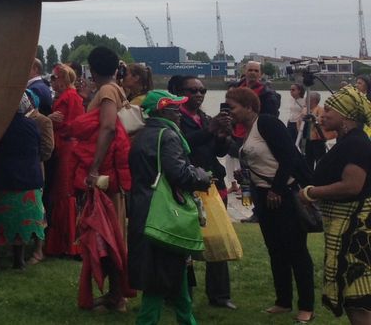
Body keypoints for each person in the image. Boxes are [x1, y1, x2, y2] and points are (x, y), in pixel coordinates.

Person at [227, 86, 315, 322]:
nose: (230, 112)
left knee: (297, 251)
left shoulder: (267, 123)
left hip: (283, 195)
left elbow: (288, 156)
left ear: (248, 106)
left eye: (233, 107)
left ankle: (306, 306)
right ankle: (283, 301)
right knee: (276, 250)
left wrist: (277, 188)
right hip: (263, 197)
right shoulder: (247, 131)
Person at [127, 91, 213, 325]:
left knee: (175, 276)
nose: (179, 114)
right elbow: (179, 173)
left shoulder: (142, 135)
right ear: (162, 110)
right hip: (163, 217)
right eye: (175, 110)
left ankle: (188, 321)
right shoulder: (169, 136)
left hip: (143, 211)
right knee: (158, 282)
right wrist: (201, 175)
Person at [299, 85, 371, 322]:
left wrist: (312, 193)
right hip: (346, 231)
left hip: (355, 235)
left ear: (347, 116)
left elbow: (352, 185)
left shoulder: (357, 144)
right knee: (354, 299)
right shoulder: (348, 141)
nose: (323, 114)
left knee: (358, 299)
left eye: (329, 110)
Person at [76, 46, 133, 312]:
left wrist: (94, 168)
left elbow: (108, 126)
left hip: (106, 174)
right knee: (109, 231)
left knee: (108, 233)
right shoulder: (113, 89)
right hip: (110, 172)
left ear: (93, 68)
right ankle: (114, 293)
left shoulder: (108, 90)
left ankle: (117, 297)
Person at [175, 76, 236, 310]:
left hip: (211, 184)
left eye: (203, 90)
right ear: (181, 92)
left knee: (217, 240)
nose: (199, 94)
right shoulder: (175, 118)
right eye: (193, 90)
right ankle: (183, 294)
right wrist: (210, 130)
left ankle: (219, 296)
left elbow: (219, 152)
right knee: (184, 244)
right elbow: (181, 145)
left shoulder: (205, 118)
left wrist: (222, 137)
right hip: (187, 184)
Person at [0, 104, 46, 271]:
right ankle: (19, 261)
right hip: (28, 179)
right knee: (21, 222)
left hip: (1, 178)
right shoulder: (31, 125)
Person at [44, 63, 85, 257]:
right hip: (70, 147)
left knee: (64, 192)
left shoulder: (67, 97)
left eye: (55, 78)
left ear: (64, 79)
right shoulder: (73, 96)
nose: (53, 82)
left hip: (66, 148)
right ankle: (69, 241)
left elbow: (67, 125)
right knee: (66, 193)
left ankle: (67, 243)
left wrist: (48, 121)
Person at [306, 91, 336, 170]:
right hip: (308, 138)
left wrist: (314, 118)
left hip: (318, 138)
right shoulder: (305, 109)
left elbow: (322, 121)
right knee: (308, 159)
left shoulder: (320, 110)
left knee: (319, 159)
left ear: (313, 100)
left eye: (308, 98)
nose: (305, 100)